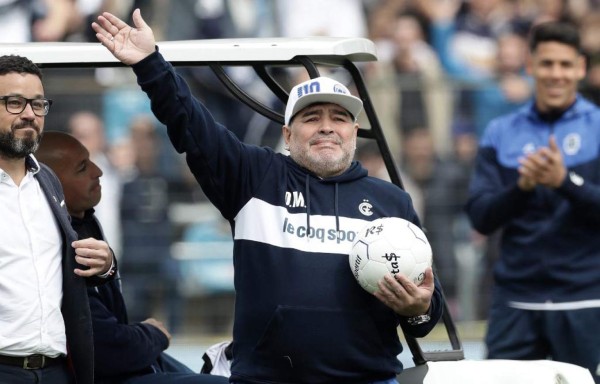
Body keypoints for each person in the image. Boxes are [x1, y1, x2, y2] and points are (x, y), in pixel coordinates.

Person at [92, 9, 444, 383]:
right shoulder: (254, 177)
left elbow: (425, 311)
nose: (327, 127)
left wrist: (420, 308)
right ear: (288, 136)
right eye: (311, 118)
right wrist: (150, 65)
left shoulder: (392, 202)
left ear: (354, 132)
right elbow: (190, 123)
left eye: (339, 118)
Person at [35, 131, 229, 384]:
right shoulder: (56, 240)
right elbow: (105, 348)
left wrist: (108, 269)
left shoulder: (84, 222)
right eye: (82, 168)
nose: (98, 171)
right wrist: (152, 333)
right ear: (52, 183)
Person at [466, 21, 600, 383]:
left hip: (586, 300)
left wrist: (565, 182)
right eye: (546, 64)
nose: (556, 74)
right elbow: (480, 216)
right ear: (530, 66)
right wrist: (522, 188)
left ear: (580, 68)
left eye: (565, 64)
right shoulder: (500, 132)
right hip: (516, 300)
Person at [0, 55, 114, 384]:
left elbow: (63, 268)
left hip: (56, 371)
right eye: (14, 102)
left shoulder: (47, 181)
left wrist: (106, 264)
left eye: (37, 104)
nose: (28, 114)